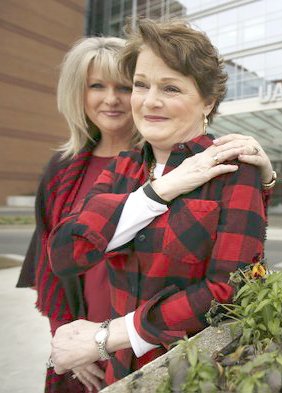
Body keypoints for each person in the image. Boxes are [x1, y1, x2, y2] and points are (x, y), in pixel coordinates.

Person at [47, 18, 277, 388]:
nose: (149, 101)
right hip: (120, 373)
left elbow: (230, 290)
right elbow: (64, 254)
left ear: (209, 101)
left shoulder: (233, 168)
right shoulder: (122, 168)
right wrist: (155, 193)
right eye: (141, 85)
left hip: (190, 371)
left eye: (170, 88)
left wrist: (107, 337)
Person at [16, 36, 138, 393]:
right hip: (80, 351)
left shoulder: (162, 162)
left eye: (124, 87)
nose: (111, 98)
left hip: (143, 340)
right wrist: (67, 341)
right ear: (78, 93)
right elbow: (49, 265)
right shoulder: (61, 169)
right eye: (96, 86)